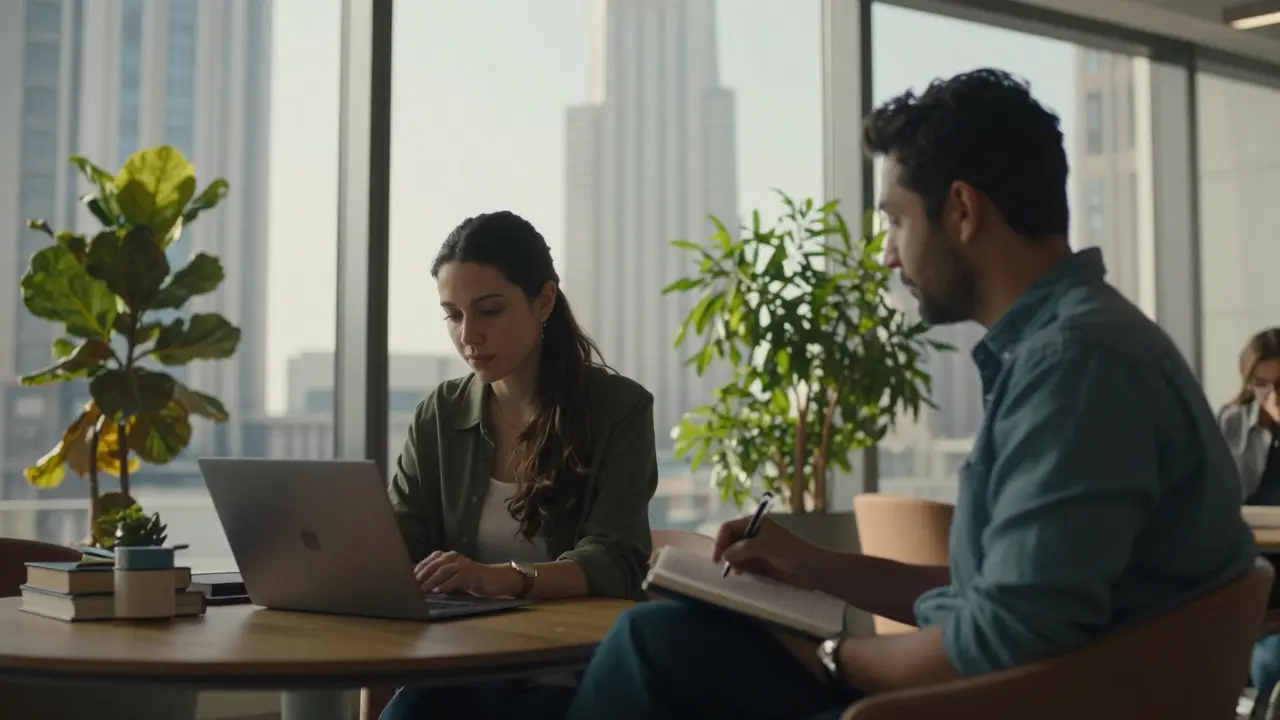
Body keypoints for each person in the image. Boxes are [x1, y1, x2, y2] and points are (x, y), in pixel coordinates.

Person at [562, 67, 1260, 720]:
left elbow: (1002, 638)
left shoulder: (1074, 365)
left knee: (653, 645)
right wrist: (815, 567)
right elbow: (989, 597)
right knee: (677, 638)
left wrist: (829, 654)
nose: (889, 254)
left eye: (895, 220)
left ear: (961, 209)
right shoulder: (1079, 345)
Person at [379, 211, 659, 720]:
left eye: (488, 311)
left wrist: (508, 578)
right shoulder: (440, 414)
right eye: (453, 315)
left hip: (571, 674)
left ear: (543, 301)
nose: (469, 336)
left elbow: (616, 559)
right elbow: (401, 540)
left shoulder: (618, 409)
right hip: (460, 666)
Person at [1218, 329, 1280, 719]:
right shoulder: (1233, 422)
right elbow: (1225, 495)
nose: (1271, 393)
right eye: (1262, 384)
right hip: (1255, 560)